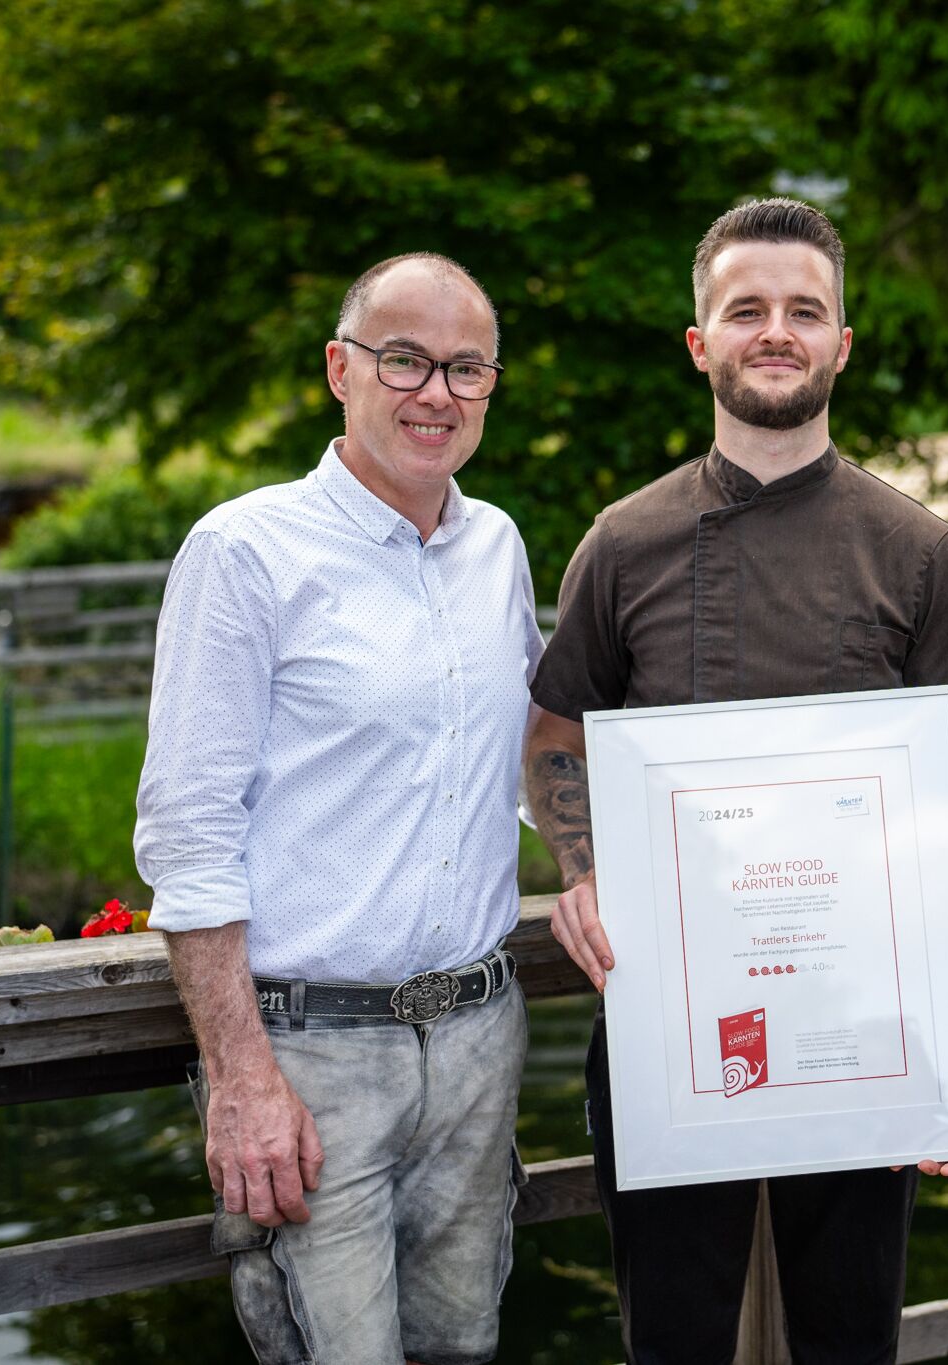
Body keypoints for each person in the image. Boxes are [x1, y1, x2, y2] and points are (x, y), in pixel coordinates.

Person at [523, 197, 948, 1365]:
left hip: (867, 1027)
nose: (776, 331)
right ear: (701, 344)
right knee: (672, 1338)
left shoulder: (918, 551)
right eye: (746, 310)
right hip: (667, 1017)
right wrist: (581, 874)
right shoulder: (622, 542)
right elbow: (554, 735)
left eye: (804, 310)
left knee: (849, 1338)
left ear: (842, 342)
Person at [134, 252, 542, 1365]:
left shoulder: (496, 546)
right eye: (403, 359)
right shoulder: (243, 551)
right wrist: (240, 1077)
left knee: (464, 1348)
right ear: (338, 369)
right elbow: (189, 835)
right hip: (312, 1063)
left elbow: (527, 767)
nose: (436, 393)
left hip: (478, 1046)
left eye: (466, 368)